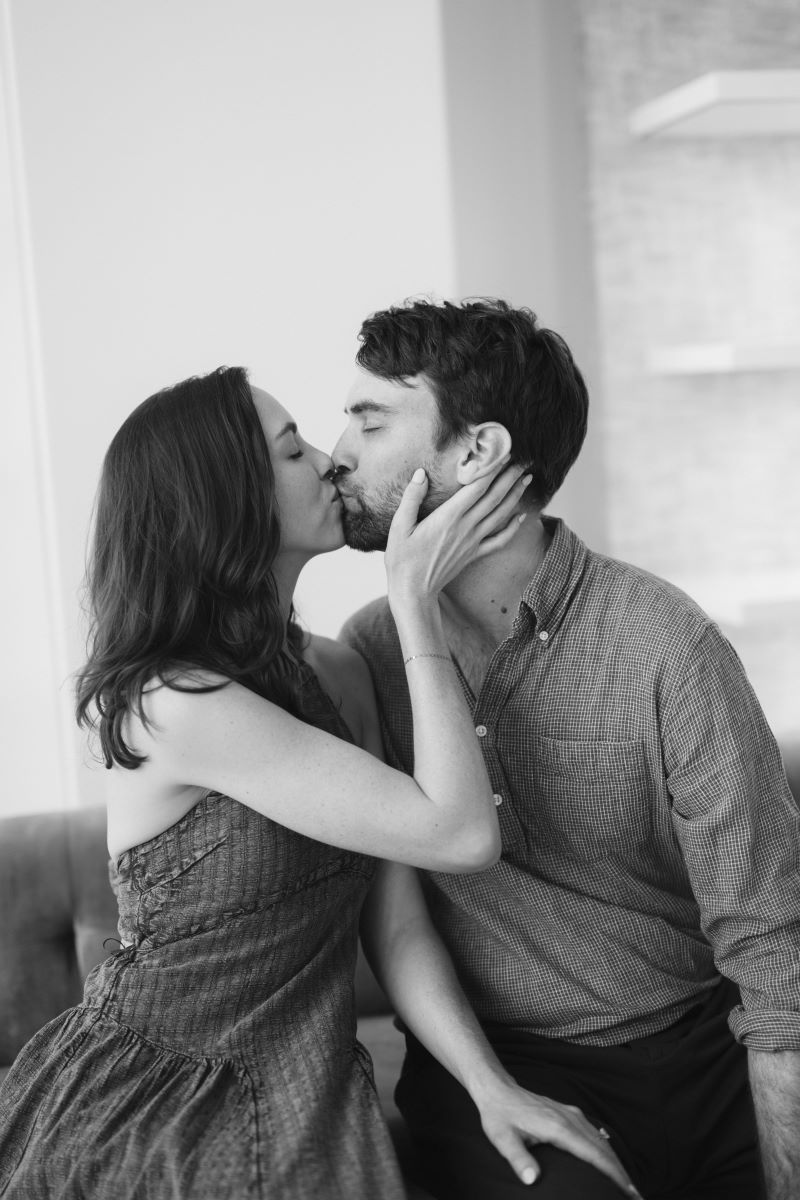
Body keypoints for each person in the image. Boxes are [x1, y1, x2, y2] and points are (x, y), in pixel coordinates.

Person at [0, 366, 636, 1200]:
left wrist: (493, 1088)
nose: (330, 464)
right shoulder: (174, 702)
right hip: (163, 1088)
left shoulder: (336, 672)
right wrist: (412, 599)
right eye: (292, 449)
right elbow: (461, 831)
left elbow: (396, 918)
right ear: (227, 498)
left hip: (310, 1072)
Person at [335, 297, 800, 1200]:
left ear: (478, 451)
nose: (338, 453)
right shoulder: (370, 655)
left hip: (703, 1041)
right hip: (507, 1062)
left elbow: (770, 933)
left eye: (370, 420)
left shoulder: (664, 642)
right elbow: (394, 919)